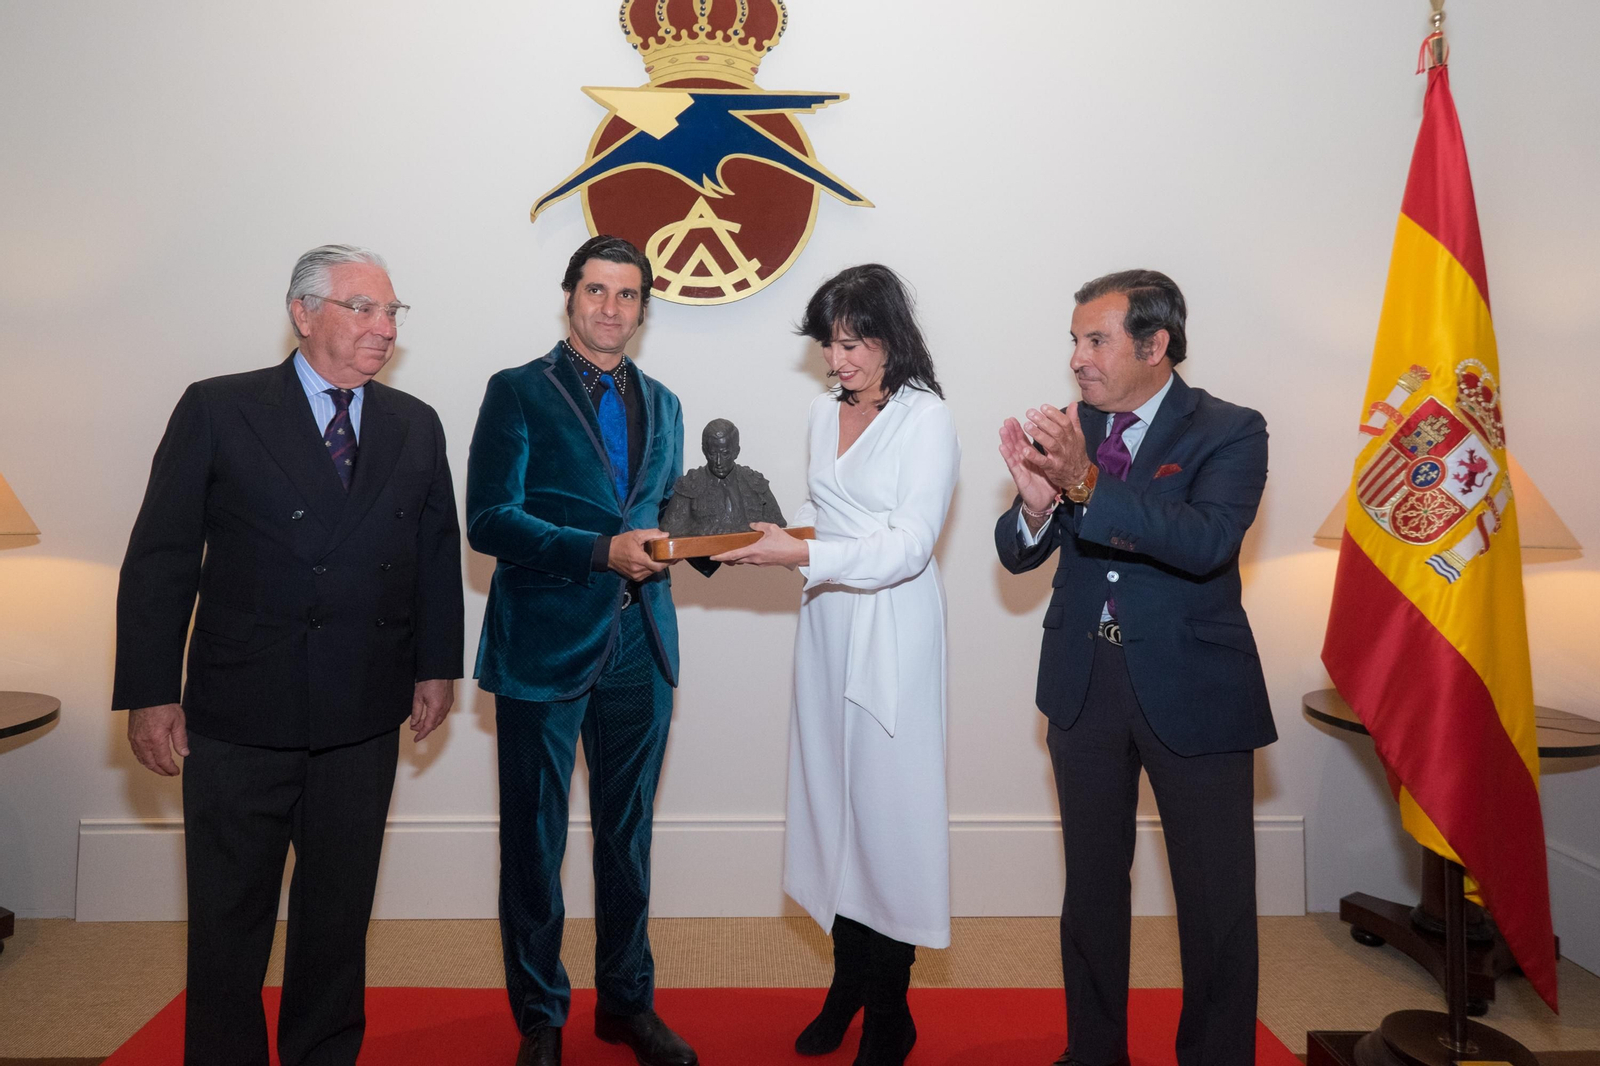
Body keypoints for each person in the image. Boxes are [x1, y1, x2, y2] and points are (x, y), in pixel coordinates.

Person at [112, 244, 464, 1066]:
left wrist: (436, 666)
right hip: (239, 714)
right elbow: (161, 559)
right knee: (228, 920)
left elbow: (434, 555)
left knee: (337, 919)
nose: (383, 328)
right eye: (363, 308)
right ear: (303, 314)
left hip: (362, 712)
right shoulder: (217, 408)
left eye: (392, 312)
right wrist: (150, 692)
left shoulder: (415, 422)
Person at [994, 270, 1274, 1066]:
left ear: (1156, 346)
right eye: (1075, 340)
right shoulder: (1071, 425)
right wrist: (1035, 505)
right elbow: (1017, 554)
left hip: (1196, 690)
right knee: (1090, 892)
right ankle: (1093, 1053)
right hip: (1085, 687)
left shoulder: (1230, 428)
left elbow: (1205, 542)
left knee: (1215, 901)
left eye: (1096, 340)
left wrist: (1084, 481)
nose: (1078, 359)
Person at [715, 263, 959, 1066]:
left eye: (855, 342)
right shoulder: (826, 416)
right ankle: (848, 982)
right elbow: (827, 516)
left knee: (890, 824)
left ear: (892, 338)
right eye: (830, 342)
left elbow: (908, 544)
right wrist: (768, 541)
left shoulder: (927, 420)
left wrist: (804, 554)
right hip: (827, 626)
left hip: (892, 630)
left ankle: (892, 1008)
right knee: (835, 813)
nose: (839, 359)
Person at [466, 235, 695, 1066]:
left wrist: (703, 542)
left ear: (643, 307)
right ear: (569, 299)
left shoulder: (666, 403)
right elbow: (488, 520)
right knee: (534, 841)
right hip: (542, 647)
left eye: (628, 294)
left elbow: (663, 515)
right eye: (596, 290)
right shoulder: (517, 391)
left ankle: (627, 1005)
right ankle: (540, 1018)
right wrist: (600, 552)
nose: (611, 308)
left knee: (628, 836)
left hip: (641, 643)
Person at [660, 418, 787, 536]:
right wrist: (701, 530)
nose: (718, 462)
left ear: (736, 451)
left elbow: (778, 529)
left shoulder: (755, 483)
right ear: (704, 451)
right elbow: (669, 532)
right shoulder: (689, 485)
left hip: (754, 557)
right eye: (713, 454)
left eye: (725, 454)